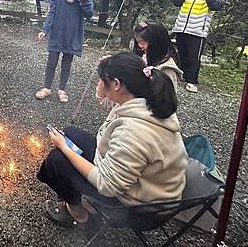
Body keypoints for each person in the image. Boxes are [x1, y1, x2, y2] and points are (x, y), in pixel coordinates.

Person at [37, 53, 188, 227]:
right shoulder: (144, 99)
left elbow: (106, 184)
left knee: (56, 160)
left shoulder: (133, 132)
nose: (100, 83)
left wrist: (65, 148)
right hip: (144, 185)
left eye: (103, 80)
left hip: (141, 209)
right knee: (71, 133)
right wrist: (105, 71)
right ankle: (74, 192)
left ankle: (79, 214)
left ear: (117, 84)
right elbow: (104, 99)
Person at [36, 0, 94, 103]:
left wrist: (85, 0)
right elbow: (52, 13)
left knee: (66, 65)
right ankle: (47, 88)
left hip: (73, 36)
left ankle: (62, 89)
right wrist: (45, 30)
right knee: (51, 62)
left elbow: (89, 15)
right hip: (57, 34)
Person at [172, 0, 228, 93]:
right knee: (181, 54)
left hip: (198, 30)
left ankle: (192, 81)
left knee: (194, 57)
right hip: (181, 27)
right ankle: (181, 76)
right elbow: (176, 2)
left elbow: (216, 6)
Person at [133, 21, 182, 92]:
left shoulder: (167, 69)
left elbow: (168, 97)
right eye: (138, 42)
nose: (139, 46)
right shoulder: (144, 56)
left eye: (142, 43)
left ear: (156, 43)